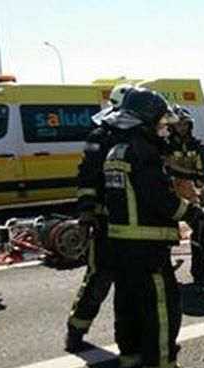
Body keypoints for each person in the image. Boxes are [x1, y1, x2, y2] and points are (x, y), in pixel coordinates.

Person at [103, 87, 203, 368]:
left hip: (121, 243)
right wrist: (194, 213)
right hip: (146, 246)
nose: (164, 129)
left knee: (129, 304)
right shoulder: (142, 152)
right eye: (160, 123)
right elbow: (160, 199)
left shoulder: (117, 150)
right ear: (145, 121)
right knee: (160, 309)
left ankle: (132, 359)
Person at [65, 83, 132, 352]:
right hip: (106, 221)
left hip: (135, 224)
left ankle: (130, 346)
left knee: (130, 285)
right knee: (99, 277)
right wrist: (86, 211)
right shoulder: (101, 137)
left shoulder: (141, 137)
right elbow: (87, 177)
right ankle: (76, 331)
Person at [165, 105, 204, 287]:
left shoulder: (196, 144)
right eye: (178, 124)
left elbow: (201, 170)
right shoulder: (164, 144)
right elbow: (167, 166)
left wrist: (198, 177)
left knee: (198, 227)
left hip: (190, 190)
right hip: (169, 190)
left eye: (185, 124)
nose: (182, 127)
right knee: (165, 233)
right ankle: (165, 275)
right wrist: (190, 173)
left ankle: (198, 272)